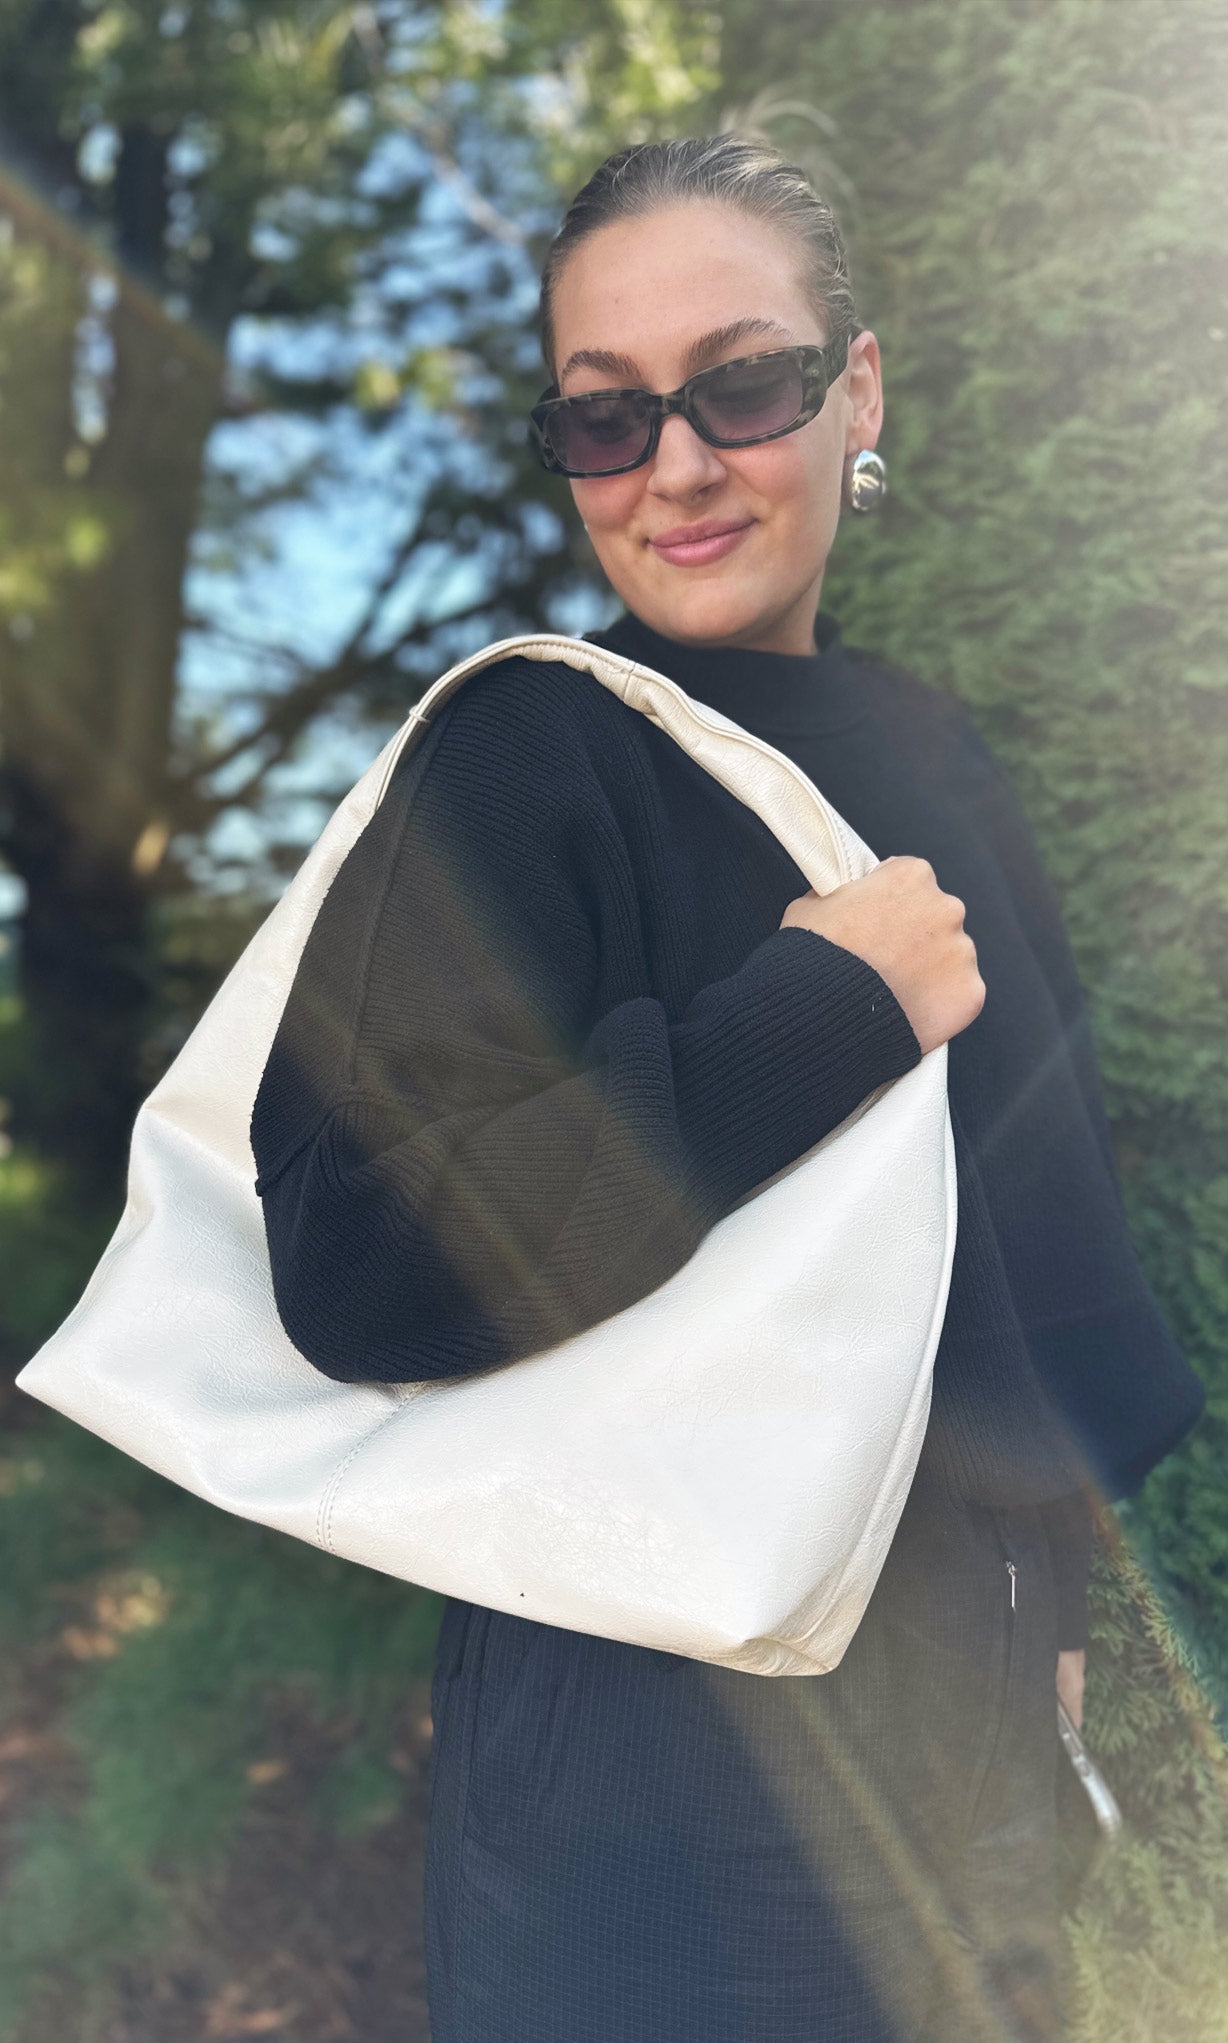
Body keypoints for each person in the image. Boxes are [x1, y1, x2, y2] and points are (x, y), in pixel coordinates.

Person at [249, 135, 1205, 2042]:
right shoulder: (527, 753)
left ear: (857, 390)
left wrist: (1059, 1610)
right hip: (657, 1784)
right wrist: (822, 1014)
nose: (677, 464)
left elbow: (1023, 1235)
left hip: (969, 1724)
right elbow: (359, 1256)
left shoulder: (927, 751)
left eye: (741, 384)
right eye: (606, 420)